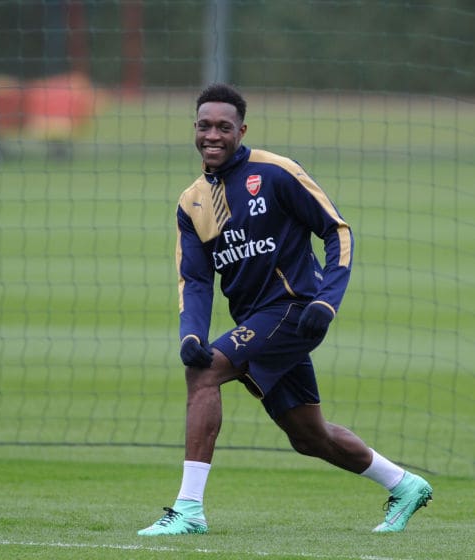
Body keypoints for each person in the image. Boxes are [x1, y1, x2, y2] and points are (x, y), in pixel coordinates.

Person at [138, 83, 433, 536]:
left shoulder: (275, 173)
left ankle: (189, 510)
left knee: (205, 375)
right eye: (203, 126)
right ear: (194, 130)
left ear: (242, 130)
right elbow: (196, 279)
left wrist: (326, 301)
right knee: (308, 435)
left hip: (295, 309)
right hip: (257, 322)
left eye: (223, 126)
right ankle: (405, 483)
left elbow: (337, 231)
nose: (212, 135)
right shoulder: (191, 202)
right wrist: (191, 334)